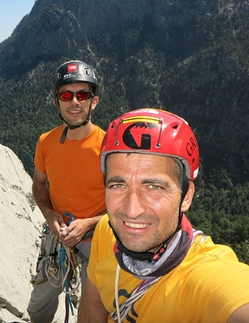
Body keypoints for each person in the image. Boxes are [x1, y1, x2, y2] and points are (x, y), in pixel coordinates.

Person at [78, 108, 249, 323]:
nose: (131, 210)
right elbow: (93, 300)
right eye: (118, 184)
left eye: (154, 186)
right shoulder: (106, 230)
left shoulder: (202, 278)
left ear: (186, 196)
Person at [27, 60, 107, 323]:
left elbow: (124, 203)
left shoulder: (108, 148)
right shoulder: (46, 142)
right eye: (66, 95)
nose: (75, 102)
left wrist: (88, 223)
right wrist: (50, 215)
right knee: (38, 307)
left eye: (82, 95)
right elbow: (39, 184)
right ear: (56, 102)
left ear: (93, 102)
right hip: (59, 235)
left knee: (93, 310)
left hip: (98, 238)